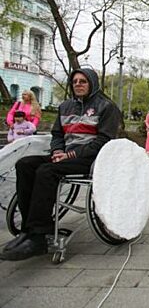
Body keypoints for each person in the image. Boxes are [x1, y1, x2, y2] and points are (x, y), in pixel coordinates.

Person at [0, 68, 121, 261]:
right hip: (64, 155)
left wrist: (70, 154)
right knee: (25, 164)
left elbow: (103, 141)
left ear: (92, 83)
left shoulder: (107, 107)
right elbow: (57, 134)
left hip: (89, 159)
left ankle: (39, 235)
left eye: (83, 81)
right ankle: (28, 230)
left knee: (46, 171)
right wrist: (58, 151)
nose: (78, 85)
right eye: (75, 82)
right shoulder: (65, 106)